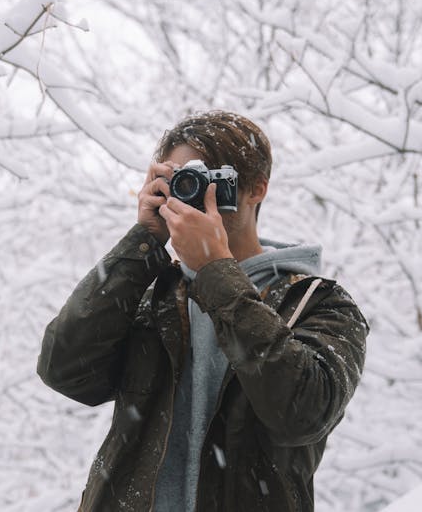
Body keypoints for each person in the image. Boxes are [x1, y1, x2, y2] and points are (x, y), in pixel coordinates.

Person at [37, 110, 368, 512]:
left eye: (212, 178)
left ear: (256, 189)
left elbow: (301, 414)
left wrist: (217, 272)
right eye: (179, 179)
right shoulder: (151, 295)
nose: (193, 191)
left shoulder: (319, 304)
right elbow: (63, 370)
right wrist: (142, 242)